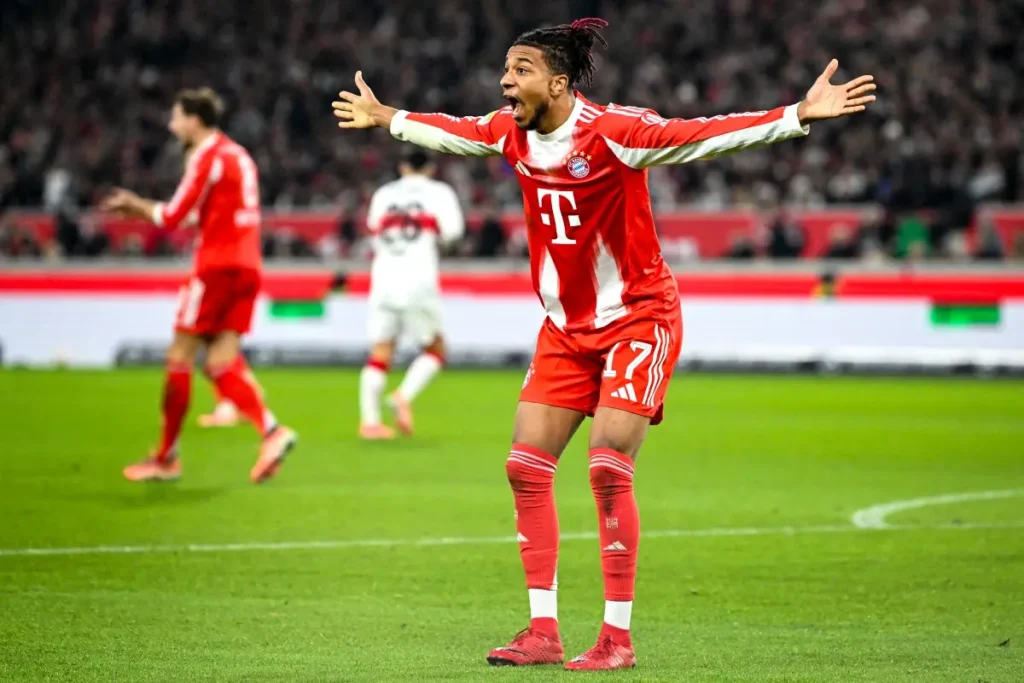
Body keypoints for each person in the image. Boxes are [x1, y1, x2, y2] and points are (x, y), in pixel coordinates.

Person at [333, 17, 875, 671]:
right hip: (566, 328)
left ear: (559, 84)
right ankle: (543, 632)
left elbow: (700, 136)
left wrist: (796, 116)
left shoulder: (615, 131)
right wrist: (386, 117)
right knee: (525, 467)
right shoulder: (509, 132)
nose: (505, 81)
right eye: (505, 69)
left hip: (638, 319)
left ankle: (617, 638)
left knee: (607, 466)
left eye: (521, 70)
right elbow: (452, 132)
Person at [102, 87, 297, 484]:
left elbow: (174, 216)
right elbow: (208, 213)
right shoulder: (239, 155)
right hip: (248, 265)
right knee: (221, 363)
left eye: (176, 118)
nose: (172, 126)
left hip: (216, 266)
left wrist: (136, 206)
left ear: (194, 120)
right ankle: (272, 431)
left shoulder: (207, 156)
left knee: (179, 356)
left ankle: (166, 458)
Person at [360, 150, 465, 439]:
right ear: (430, 168)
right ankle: (402, 396)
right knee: (436, 349)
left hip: (383, 278)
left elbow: (373, 229)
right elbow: (454, 232)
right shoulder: (440, 192)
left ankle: (370, 423)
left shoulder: (383, 194)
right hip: (418, 279)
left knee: (380, 351)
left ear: (402, 167)